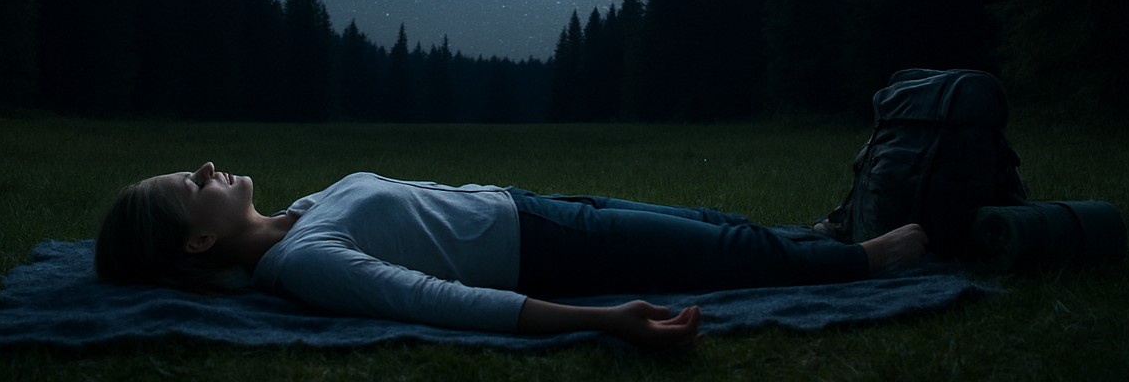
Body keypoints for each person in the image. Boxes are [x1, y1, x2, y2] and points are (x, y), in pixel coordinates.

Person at [95, 162, 929, 349]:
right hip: (545, 253)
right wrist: (604, 323)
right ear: (199, 238)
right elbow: (443, 304)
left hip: (534, 208)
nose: (207, 167)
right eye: (191, 182)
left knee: (701, 219)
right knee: (719, 250)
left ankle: (814, 241)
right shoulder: (304, 262)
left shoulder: (298, 214)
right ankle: (866, 263)